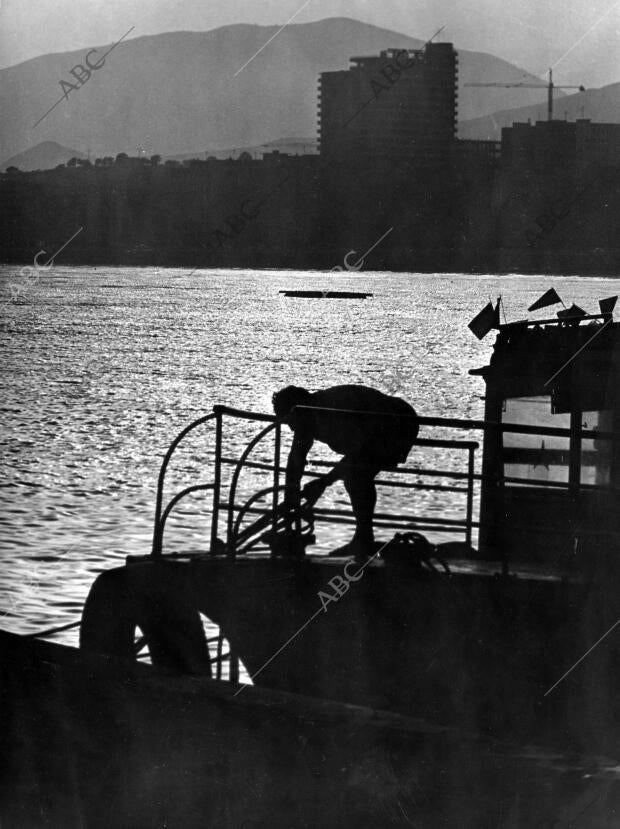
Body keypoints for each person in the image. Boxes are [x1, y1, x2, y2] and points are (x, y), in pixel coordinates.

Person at [272, 384, 419, 560]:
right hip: (380, 425)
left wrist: (323, 482)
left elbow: (357, 455)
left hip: (398, 422)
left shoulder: (328, 412)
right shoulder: (306, 415)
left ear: (297, 411)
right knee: (356, 475)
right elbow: (296, 458)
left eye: (290, 422)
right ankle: (363, 537)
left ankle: (363, 538)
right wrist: (291, 496)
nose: (291, 429)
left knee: (356, 475)